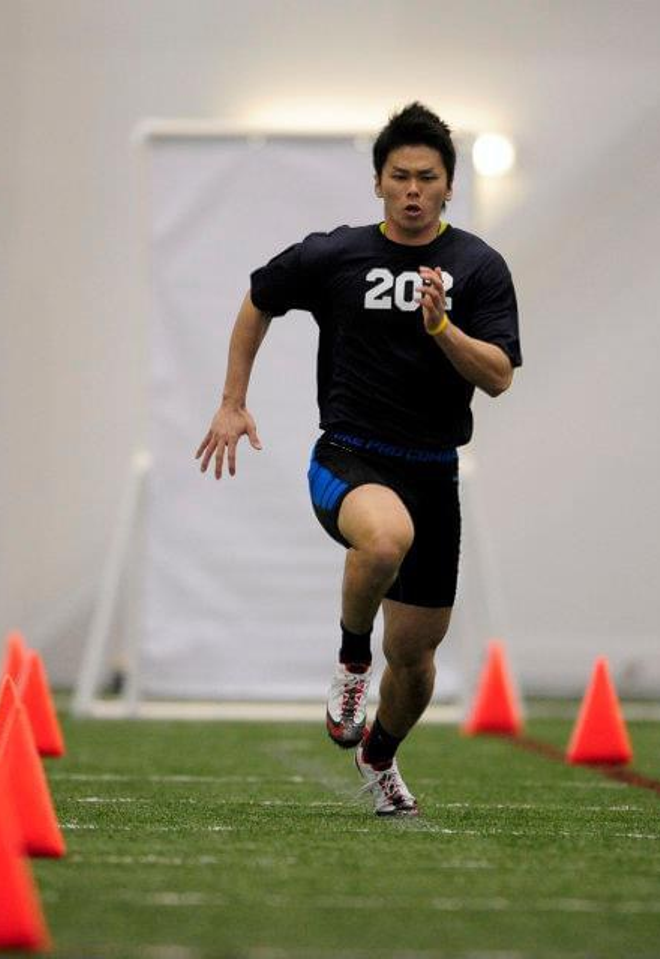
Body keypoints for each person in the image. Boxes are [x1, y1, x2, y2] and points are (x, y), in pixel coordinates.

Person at [194, 103, 522, 817]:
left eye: (426, 178)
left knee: (417, 661)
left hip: (433, 469)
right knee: (383, 538)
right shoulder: (337, 255)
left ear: (449, 186)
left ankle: (379, 754)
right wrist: (231, 400)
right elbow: (259, 297)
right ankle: (350, 662)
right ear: (378, 182)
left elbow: (498, 376)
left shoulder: (477, 266)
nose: (413, 190)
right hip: (350, 456)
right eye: (399, 176)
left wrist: (442, 328)